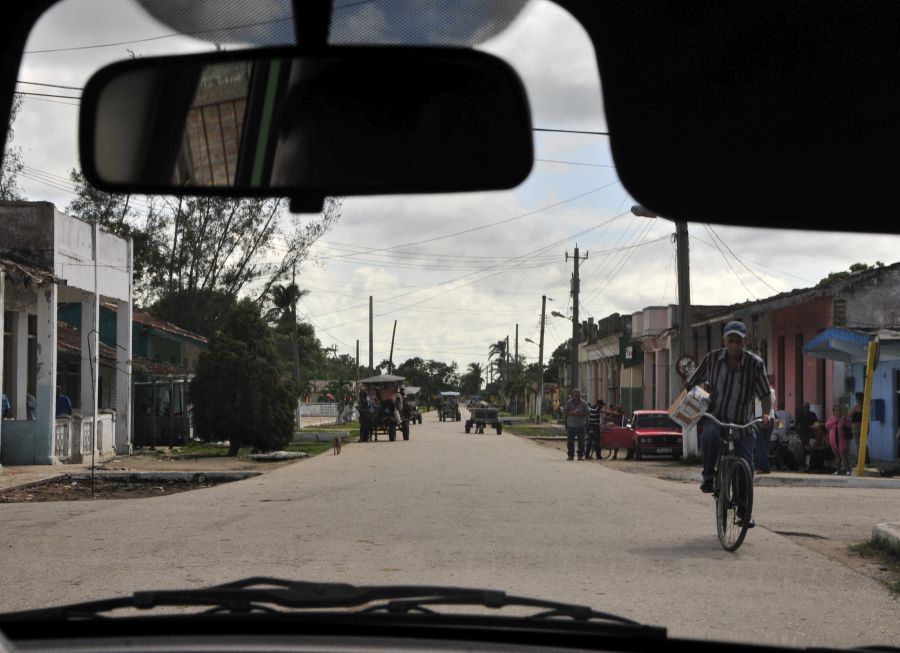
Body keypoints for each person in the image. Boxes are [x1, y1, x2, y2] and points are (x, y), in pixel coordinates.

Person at [683, 320, 771, 527]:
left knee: (745, 466)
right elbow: (690, 383)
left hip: (743, 421)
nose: (734, 345)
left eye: (738, 341)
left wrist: (766, 414)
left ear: (745, 342)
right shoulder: (712, 359)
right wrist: (703, 392)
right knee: (709, 436)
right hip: (717, 416)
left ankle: (743, 511)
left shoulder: (755, 364)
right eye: (730, 341)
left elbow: (765, 394)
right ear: (724, 341)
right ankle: (708, 477)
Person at [562, 389, 589, 461]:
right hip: (571, 424)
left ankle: (580, 455)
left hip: (581, 425)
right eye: (574, 395)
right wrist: (571, 413)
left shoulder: (584, 403)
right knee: (570, 441)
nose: (576, 397)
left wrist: (580, 414)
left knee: (582, 441)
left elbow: (587, 412)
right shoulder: (568, 403)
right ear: (572, 396)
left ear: (580, 396)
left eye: (577, 395)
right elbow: (565, 412)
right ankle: (570, 455)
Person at [826, 404, 852, 476]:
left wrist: (844, 420)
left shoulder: (843, 418)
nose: (838, 412)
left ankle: (847, 470)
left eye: (839, 410)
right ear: (833, 412)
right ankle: (838, 470)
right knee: (837, 456)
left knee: (843, 455)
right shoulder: (831, 418)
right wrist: (835, 420)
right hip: (833, 441)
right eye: (836, 410)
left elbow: (849, 426)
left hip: (842, 440)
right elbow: (827, 425)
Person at [848, 391, 870, 465]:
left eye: (857, 399)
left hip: (857, 426)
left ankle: (860, 459)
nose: (856, 400)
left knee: (858, 443)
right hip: (864, 425)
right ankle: (866, 459)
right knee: (863, 443)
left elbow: (850, 415)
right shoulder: (866, 406)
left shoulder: (856, 407)